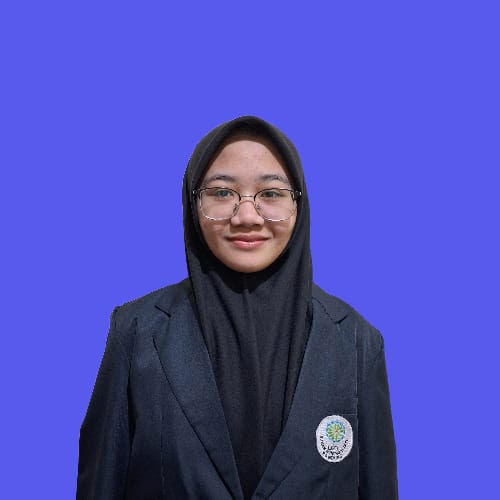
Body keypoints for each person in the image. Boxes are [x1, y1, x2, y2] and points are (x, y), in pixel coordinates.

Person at [77, 115, 398, 499]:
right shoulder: (136, 332)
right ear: (192, 203)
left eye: (271, 193)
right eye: (222, 192)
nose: (246, 216)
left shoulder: (357, 342)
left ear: (299, 205)